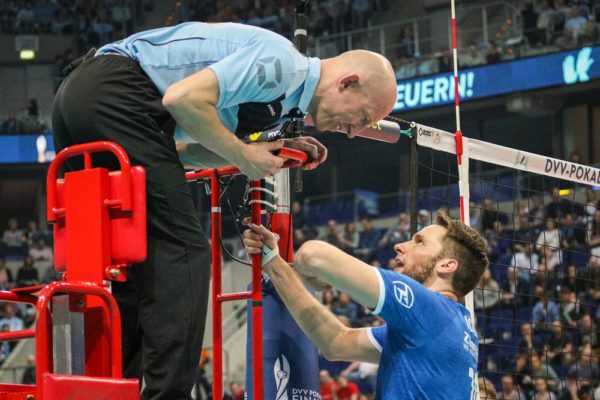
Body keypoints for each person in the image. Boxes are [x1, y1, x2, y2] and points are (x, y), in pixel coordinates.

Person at [51, 21, 397, 400]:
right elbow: (181, 100)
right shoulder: (284, 64)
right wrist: (242, 154)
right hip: (115, 93)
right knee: (184, 250)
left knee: (134, 267)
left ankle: (115, 390)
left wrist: (268, 152)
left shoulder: (280, 105)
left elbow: (182, 153)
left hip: (84, 101)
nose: (352, 132)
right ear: (347, 83)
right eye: (362, 118)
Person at [243, 210, 488, 398]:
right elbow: (335, 342)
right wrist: (273, 262)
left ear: (446, 265)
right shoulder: (452, 326)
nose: (400, 245)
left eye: (419, 241)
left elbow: (312, 254)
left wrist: (315, 274)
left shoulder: (429, 308)